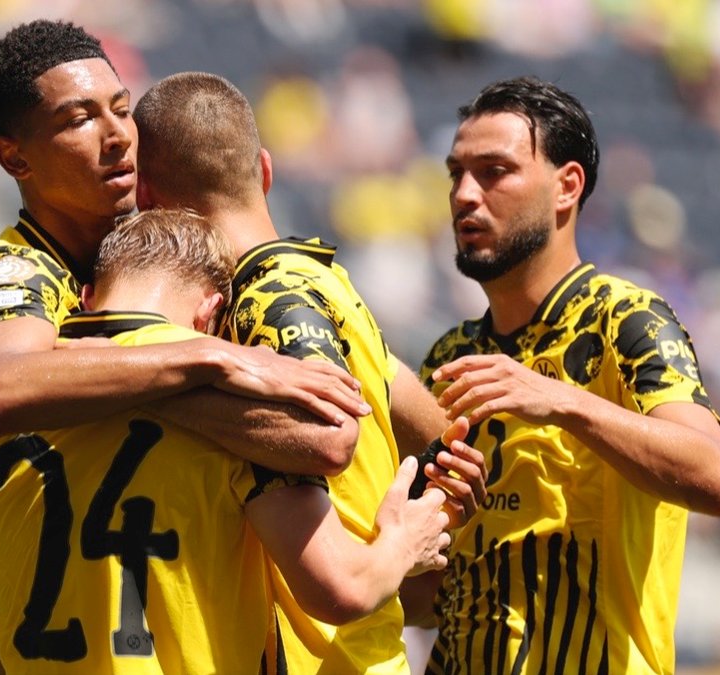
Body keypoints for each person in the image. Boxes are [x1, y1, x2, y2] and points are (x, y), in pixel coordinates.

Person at [0, 20, 372, 674]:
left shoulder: (152, 277)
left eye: (121, 108)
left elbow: (333, 429)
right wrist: (213, 359)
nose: (117, 135)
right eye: (78, 119)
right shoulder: (21, 274)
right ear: (15, 158)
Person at [0, 207, 454, 672]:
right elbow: (340, 588)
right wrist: (403, 543)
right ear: (210, 314)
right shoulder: (242, 413)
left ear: (86, 298)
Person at [132, 71, 487, 674]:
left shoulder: (259, 306)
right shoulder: (328, 283)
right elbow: (442, 435)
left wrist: (404, 540)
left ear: (145, 200)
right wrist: (429, 513)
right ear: (265, 171)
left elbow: (326, 451)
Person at [408, 76, 720, 674]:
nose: (464, 194)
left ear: (567, 186)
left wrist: (562, 400)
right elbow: (428, 598)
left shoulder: (627, 319)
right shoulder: (448, 357)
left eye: (494, 172)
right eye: (456, 173)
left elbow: (716, 480)